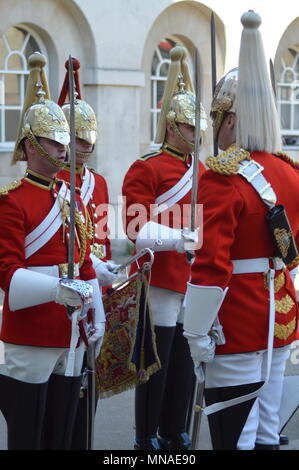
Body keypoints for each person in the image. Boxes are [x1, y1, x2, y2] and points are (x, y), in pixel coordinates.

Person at [183, 11, 299, 450]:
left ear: (230, 119)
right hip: (281, 318)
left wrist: (195, 333)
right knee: (268, 430)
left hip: (236, 325)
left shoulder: (222, 176)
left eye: (217, 120)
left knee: (234, 437)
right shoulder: (290, 172)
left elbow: (212, 265)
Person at [0, 52, 105, 450]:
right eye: (53, 141)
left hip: (72, 328)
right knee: (29, 431)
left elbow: (82, 260)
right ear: (30, 146)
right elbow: (7, 272)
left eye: (65, 141)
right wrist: (55, 289)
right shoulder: (11, 200)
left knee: (64, 431)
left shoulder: (70, 195)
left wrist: (95, 306)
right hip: (32, 329)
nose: (63, 148)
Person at [122, 45, 207, 450]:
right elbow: (135, 228)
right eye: (191, 128)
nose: (197, 134)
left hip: (195, 278)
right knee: (156, 362)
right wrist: (177, 240)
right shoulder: (148, 167)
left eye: (199, 128)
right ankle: (146, 434)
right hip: (161, 278)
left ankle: (175, 428)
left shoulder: (205, 172)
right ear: (172, 127)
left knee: (186, 363)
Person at [57, 57, 120, 449]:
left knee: (90, 376)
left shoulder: (98, 182)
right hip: (67, 286)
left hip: (97, 287)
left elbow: (101, 234)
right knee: (65, 378)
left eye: (87, 139)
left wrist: (106, 268)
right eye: (77, 140)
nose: (84, 146)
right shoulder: (54, 181)